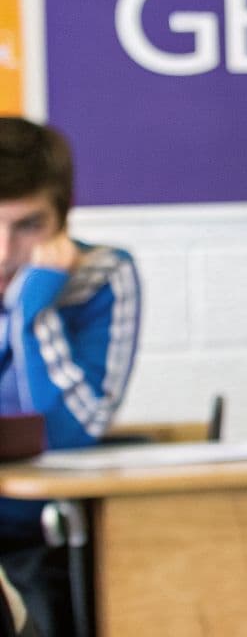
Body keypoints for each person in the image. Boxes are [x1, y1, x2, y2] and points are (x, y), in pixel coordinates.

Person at [0, 119, 140, 637]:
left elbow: (66, 440)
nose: (3, 251)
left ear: (62, 217)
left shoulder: (102, 275)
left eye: (27, 225)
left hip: (45, 533)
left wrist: (33, 311)